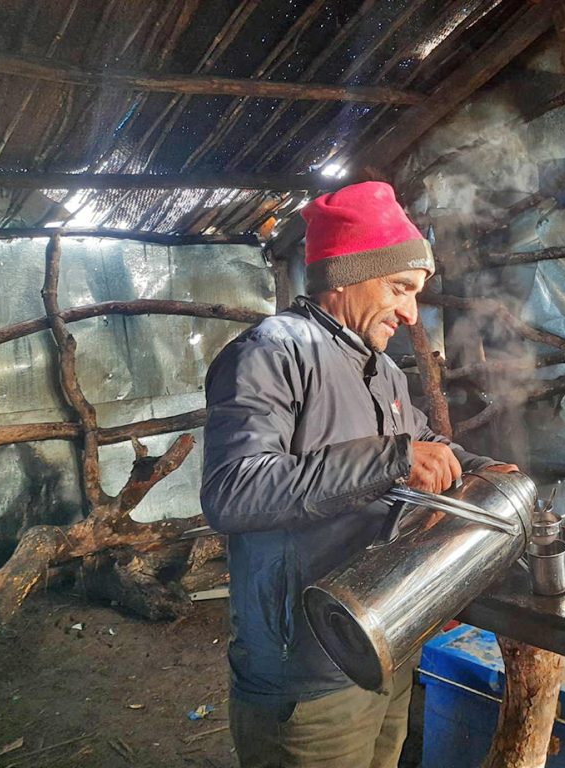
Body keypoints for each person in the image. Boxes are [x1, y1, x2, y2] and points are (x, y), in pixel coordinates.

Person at [200, 181, 517, 768]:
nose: (409, 313)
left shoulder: (379, 369)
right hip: (306, 673)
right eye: (400, 288)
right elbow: (233, 491)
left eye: (415, 293)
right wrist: (391, 459)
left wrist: (481, 468)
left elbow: (424, 441)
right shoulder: (272, 353)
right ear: (344, 276)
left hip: (383, 642)